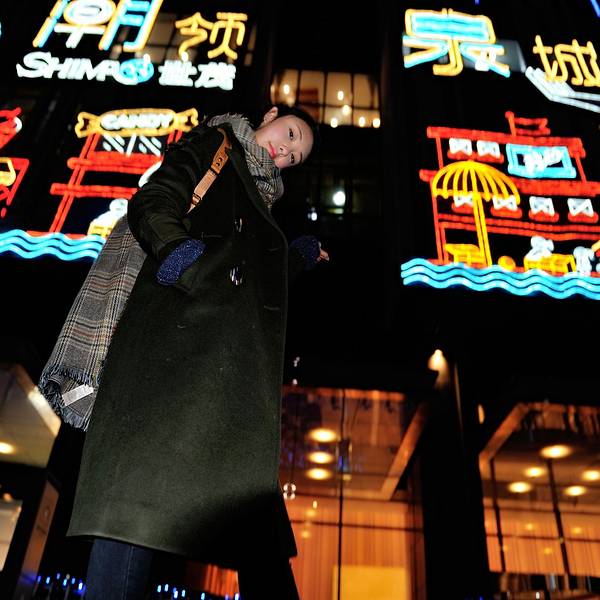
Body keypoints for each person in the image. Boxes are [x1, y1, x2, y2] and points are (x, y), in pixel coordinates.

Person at [66, 105, 328, 600]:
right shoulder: (216, 144)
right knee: (136, 500)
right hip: (169, 342)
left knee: (248, 505)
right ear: (271, 115)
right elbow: (154, 199)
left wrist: (294, 258)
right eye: (291, 134)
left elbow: (245, 279)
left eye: (294, 157)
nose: (286, 152)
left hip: (216, 362)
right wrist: (178, 256)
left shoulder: (260, 197)